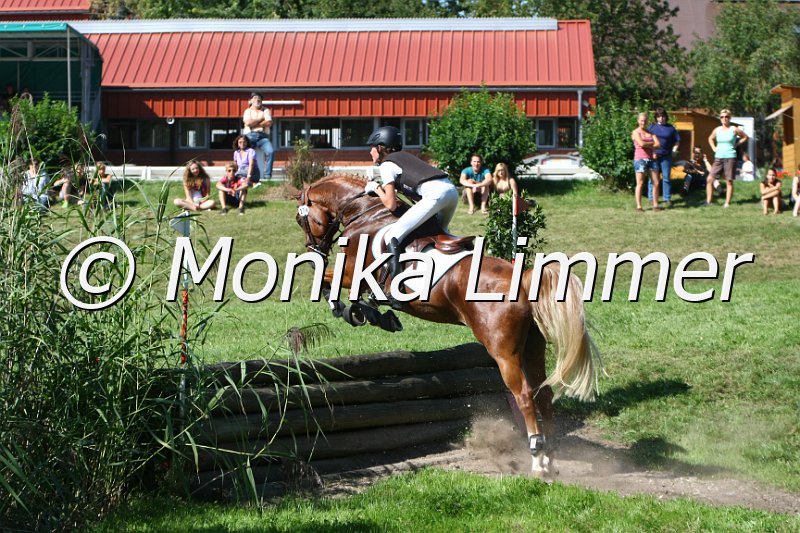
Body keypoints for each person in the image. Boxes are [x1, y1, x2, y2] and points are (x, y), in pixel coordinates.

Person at [364, 126, 459, 295]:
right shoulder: (405, 157)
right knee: (439, 233)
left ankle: (396, 290)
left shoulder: (387, 165)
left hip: (436, 194)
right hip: (451, 192)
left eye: (372, 148)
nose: (370, 152)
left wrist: (375, 187)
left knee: (392, 236)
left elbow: (391, 204)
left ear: (380, 147)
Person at [706, 109, 748, 208]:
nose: (724, 118)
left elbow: (745, 137)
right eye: (722, 117)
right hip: (718, 157)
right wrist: (714, 148)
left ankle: (727, 203)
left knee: (729, 180)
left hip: (730, 157)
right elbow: (710, 138)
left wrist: (737, 144)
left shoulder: (734, 129)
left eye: (726, 117)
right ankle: (709, 202)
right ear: (720, 118)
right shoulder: (717, 130)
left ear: (730, 118)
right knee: (710, 179)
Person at [647, 107, 680, 207]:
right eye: (659, 116)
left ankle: (667, 198)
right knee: (652, 178)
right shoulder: (652, 127)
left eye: (663, 116)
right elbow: (647, 139)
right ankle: (651, 198)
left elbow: (677, 141)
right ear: (656, 117)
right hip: (654, 156)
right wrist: (651, 151)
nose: (661, 118)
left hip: (666, 156)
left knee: (666, 178)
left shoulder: (671, 128)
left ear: (666, 117)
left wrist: (674, 150)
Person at [242, 92, 274, 184]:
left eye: (259, 98)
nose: (257, 100)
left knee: (270, 151)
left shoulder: (266, 110)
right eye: (255, 98)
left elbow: (269, 122)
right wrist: (261, 119)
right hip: (250, 136)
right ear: (251, 100)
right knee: (246, 153)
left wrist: (254, 124)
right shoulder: (247, 111)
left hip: (263, 137)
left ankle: (267, 176)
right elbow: (248, 123)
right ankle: (244, 174)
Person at [632, 112, 661, 212]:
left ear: (647, 121)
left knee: (656, 182)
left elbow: (658, 144)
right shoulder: (635, 132)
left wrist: (647, 144)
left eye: (645, 121)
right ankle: (639, 206)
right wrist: (652, 143)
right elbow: (641, 144)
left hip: (652, 159)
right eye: (641, 121)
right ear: (638, 121)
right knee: (640, 183)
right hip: (640, 159)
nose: (643, 123)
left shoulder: (651, 132)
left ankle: (655, 205)